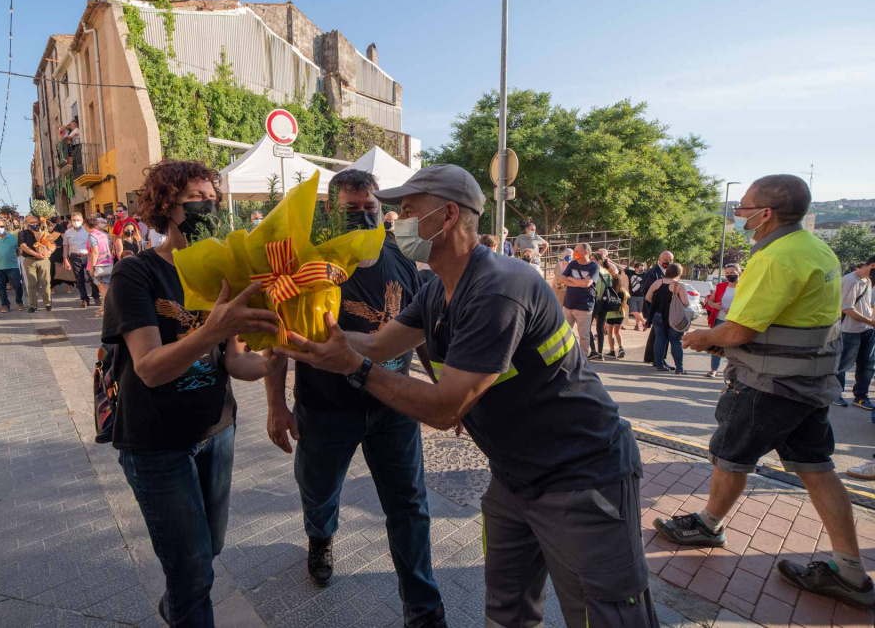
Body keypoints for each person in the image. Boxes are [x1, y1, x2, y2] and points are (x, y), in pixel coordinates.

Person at [274, 164, 658, 627]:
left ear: (448, 215)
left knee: (604, 614)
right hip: (514, 479)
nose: (399, 221)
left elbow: (442, 408)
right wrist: (296, 333)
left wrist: (352, 367)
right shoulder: (437, 288)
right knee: (507, 608)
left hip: (582, 477)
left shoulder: (499, 287)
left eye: (409, 211)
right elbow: (378, 344)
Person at [657, 174, 874, 609]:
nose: (739, 214)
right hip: (809, 384)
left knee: (729, 457)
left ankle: (709, 524)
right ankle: (851, 570)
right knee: (817, 467)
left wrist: (703, 338)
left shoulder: (776, 257)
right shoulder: (817, 249)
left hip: (769, 384)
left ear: (766, 213)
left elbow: (740, 329)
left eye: (743, 207)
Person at [102, 159, 285, 628]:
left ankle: (179, 605)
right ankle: (186, 606)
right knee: (193, 570)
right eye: (196, 200)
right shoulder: (136, 274)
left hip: (216, 431)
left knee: (209, 549)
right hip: (155, 444)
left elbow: (234, 360)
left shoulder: (226, 269)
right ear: (166, 207)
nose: (209, 207)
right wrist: (211, 329)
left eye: (213, 199)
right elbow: (149, 369)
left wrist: (279, 358)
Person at [263, 169, 446, 627]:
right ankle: (320, 537)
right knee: (320, 490)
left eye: (370, 210)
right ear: (330, 210)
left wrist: (443, 388)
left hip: (395, 406)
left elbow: (422, 333)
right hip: (325, 409)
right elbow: (279, 338)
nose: (363, 218)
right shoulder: (311, 263)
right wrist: (275, 405)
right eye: (352, 210)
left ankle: (423, 609)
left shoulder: (401, 259)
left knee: (409, 506)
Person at [835, 255, 875, 409]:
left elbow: (869, 305)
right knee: (844, 363)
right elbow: (846, 308)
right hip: (850, 330)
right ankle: (836, 394)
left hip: (868, 330)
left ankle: (860, 396)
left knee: (867, 366)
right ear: (872, 265)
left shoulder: (868, 281)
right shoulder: (850, 280)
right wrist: (869, 321)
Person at [645, 263, 690, 374]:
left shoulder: (657, 283)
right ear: (679, 273)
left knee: (660, 339)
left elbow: (648, 297)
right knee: (675, 341)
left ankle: (659, 364)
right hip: (673, 317)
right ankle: (679, 368)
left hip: (657, 315)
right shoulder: (678, 285)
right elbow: (685, 303)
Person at [558, 243, 599, 356]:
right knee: (563, 333)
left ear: (586, 252)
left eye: (577, 251)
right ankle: (564, 356)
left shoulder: (594, 267)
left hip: (584, 307)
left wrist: (571, 279)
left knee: (584, 335)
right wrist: (579, 283)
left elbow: (587, 284)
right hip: (568, 305)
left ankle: (583, 358)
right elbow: (561, 279)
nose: (574, 253)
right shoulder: (573, 263)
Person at [703, 264, 741, 378]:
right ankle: (713, 370)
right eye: (727, 273)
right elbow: (710, 301)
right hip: (719, 319)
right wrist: (715, 305)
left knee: (734, 347)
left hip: (735, 321)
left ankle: (733, 372)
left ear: (739, 273)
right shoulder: (721, 286)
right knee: (716, 345)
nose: (729, 275)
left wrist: (735, 310)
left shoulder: (744, 287)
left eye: (732, 272)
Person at [642, 251, 673, 364]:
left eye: (670, 261)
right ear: (659, 260)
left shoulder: (667, 272)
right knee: (661, 336)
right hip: (657, 309)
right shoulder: (653, 273)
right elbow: (646, 291)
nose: (668, 263)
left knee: (656, 334)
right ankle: (658, 359)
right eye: (665, 260)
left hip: (662, 309)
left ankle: (651, 356)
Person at [0, 218, 25, 313]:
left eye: (1, 226)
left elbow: (18, 250)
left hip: (12, 266)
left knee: (17, 285)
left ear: (5, 227)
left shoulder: (12, 237)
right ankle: (5, 305)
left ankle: (20, 302)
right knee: (1, 287)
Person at [588, 252, 619, 361]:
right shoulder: (607, 272)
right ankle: (600, 352)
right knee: (600, 328)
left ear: (599, 261)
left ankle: (593, 351)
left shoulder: (595, 271)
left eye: (593, 259)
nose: (591, 261)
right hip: (605, 302)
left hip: (594, 301)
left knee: (587, 327)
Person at [20, 215, 53, 312]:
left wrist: (49, 251)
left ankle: (48, 303)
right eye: (31, 223)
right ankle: (33, 305)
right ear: (26, 224)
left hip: (43, 260)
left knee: (46, 282)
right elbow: (23, 246)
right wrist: (35, 254)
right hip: (30, 260)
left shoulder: (44, 232)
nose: (34, 224)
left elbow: (52, 244)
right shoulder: (23, 233)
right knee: (32, 283)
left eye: (35, 222)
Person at [62, 212, 95, 308]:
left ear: (82, 220)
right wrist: (65, 259)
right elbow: (65, 247)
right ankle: (84, 299)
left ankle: (96, 296)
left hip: (87, 256)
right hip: (75, 257)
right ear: (71, 221)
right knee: (79, 280)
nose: (76, 222)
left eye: (78, 220)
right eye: (74, 220)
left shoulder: (87, 230)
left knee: (92, 277)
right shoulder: (68, 232)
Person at [85, 214, 113, 315]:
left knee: (103, 288)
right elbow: (109, 247)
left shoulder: (93, 235)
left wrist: (92, 267)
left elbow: (95, 252)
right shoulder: (103, 234)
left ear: (87, 225)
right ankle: (105, 307)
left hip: (99, 265)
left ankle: (107, 309)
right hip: (107, 262)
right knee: (107, 286)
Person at [606, 272, 629, 359]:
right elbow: (625, 302)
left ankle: (612, 351)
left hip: (611, 314)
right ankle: (621, 348)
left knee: (610, 333)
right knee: (617, 332)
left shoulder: (610, 290)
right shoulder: (623, 291)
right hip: (621, 314)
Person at [624, 262, 649, 331]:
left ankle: (637, 326)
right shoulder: (630, 273)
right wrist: (611, 261)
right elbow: (621, 268)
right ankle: (644, 322)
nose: (642, 270)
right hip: (632, 296)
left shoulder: (645, 274)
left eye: (643, 268)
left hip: (642, 296)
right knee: (633, 311)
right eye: (640, 268)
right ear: (636, 268)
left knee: (639, 311)